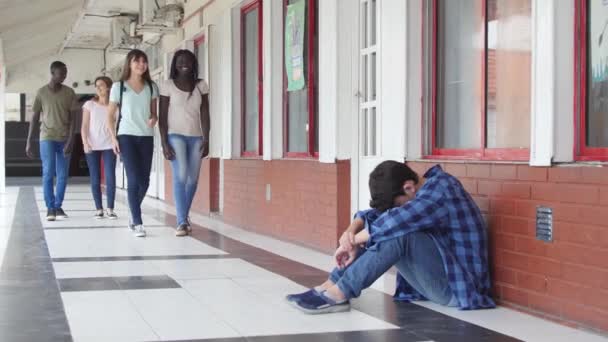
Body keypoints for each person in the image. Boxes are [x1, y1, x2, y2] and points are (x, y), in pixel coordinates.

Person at [287, 161, 496, 314]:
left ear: (408, 187)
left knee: (398, 233)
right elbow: (376, 216)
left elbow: (393, 222)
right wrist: (350, 232)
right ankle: (329, 285)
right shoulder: (416, 191)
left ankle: (340, 293)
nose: (396, 209)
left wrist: (353, 242)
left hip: (459, 288)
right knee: (383, 229)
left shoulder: (441, 190)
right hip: (435, 283)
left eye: (397, 204)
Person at [107, 49, 158, 238]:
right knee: (134, 179)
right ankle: (137, 221)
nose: (141, 64)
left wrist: (154, 118)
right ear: (129, 63)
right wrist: (113, 138)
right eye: (137, 61)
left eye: (144, 61)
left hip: (146, 136)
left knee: (145, 181)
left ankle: (132, 212)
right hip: (126, 136)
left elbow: (154, 113)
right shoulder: (118, 87)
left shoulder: (152, 87)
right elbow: (110, 116)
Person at [159, 49, 210, 236]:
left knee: (193, 179)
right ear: (175, 64)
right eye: (180, 61)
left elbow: (205, 114)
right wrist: (164, 142)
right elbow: (162, 117)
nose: (184, 64)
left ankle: (184, 216)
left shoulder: (201, 85)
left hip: (196, 136)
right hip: (175, 135)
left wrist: (207, 138)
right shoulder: (167, 85)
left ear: (194, 63)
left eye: (188, 61)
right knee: (181, 176)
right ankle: (181, 222)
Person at [26, 61, 77, 221]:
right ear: (52, 73)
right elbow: (34, 118)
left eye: (65, 73)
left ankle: (57, 206)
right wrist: (29, 141)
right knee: (48, 172)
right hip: (46, 137)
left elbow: (74, 119)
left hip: (64, 138)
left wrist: (71, 140)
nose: (64, 76)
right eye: (61, 73)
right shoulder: (41, 93)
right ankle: (50, 207)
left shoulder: (70, 93)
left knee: (62, 174)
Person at [81, 76, 118, 219]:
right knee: (95, 177)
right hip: (92, 145)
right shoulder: (89, 104)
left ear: (108, 87)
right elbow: (84, 126)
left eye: (101, 85)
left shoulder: (114, 106)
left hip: (109, 145)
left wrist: (116, 141)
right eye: (96, 86)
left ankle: (110, 208)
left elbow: (117, 125)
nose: (98, 88)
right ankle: (99, 208)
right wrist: (85, 142)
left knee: (110, 176)